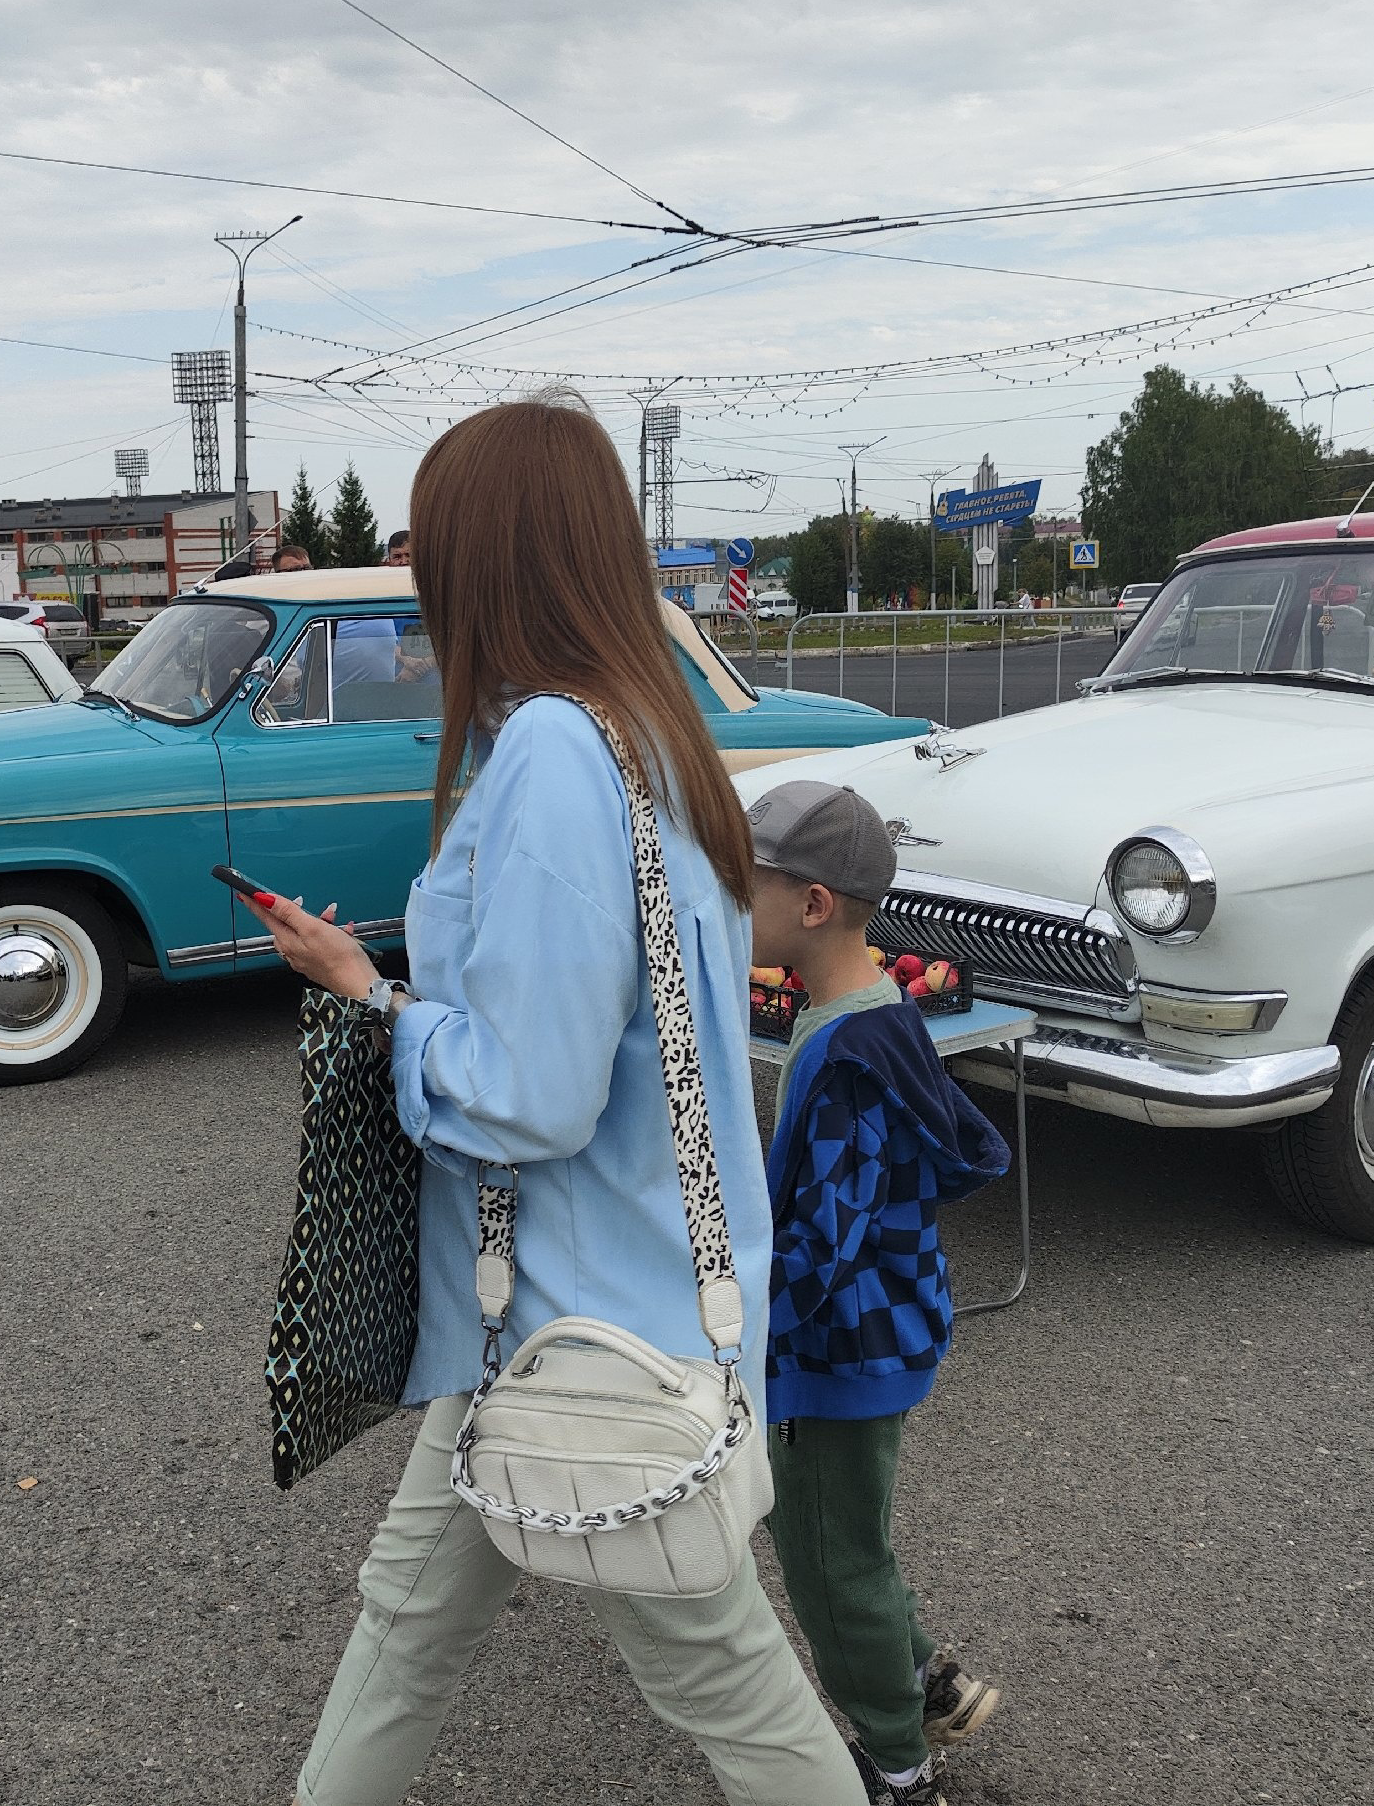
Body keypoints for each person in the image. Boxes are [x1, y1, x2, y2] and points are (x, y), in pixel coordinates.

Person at [255, 393, 866, 1806]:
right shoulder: (654, 733)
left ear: (492, 559)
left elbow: (531, 1094)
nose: (420, 577)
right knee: (406, 1617)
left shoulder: (548, 750)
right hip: (560, 1309)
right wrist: (374, 977)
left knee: (725, 1682)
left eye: (435, 545)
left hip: (585, 1327)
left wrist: (379, 1010)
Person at [747, 778, 1011, 1805]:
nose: (733, 899)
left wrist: (754, 1339)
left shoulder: (846, 1054)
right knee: (848, 1533)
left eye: (749, 884)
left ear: (811, 905)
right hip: (879, 1332)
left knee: (826, 1560)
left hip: (835, 1353)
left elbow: (827, 1237)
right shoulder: (873, 1012)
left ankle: (896, 1764)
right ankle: (924, 1675)